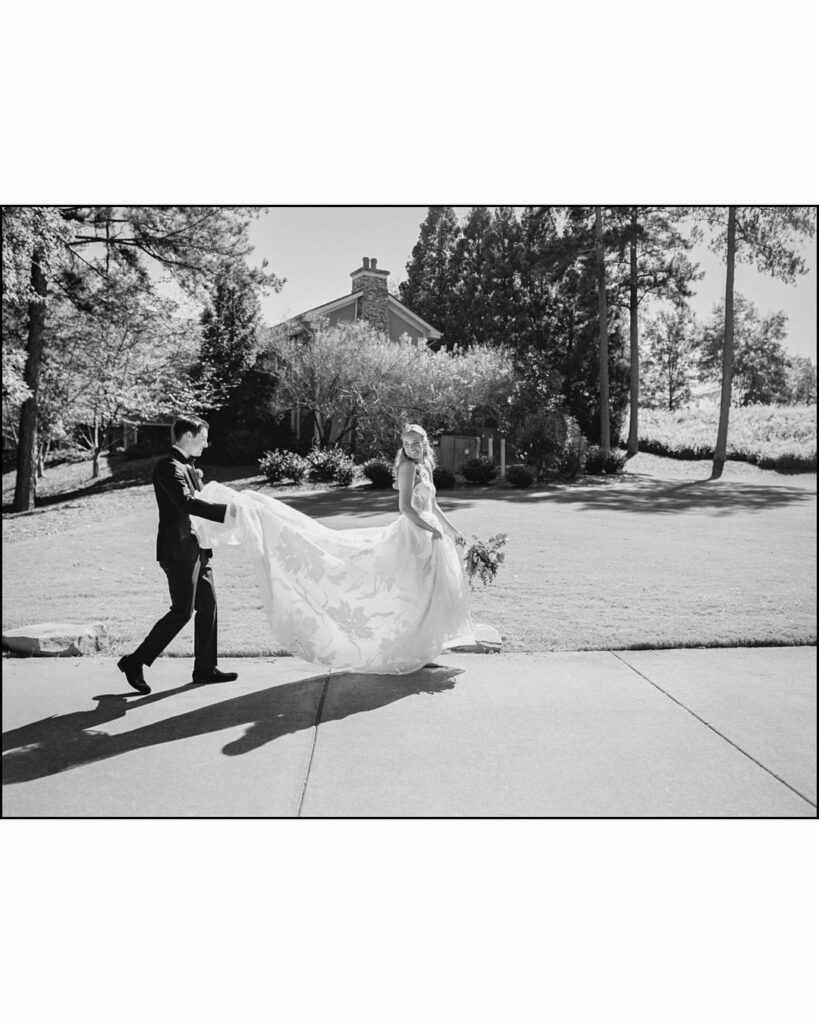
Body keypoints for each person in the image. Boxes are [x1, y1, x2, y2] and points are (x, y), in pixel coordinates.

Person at [191, 423, 475, 675]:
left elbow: (433, 506)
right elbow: (405, 508)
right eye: (407, 443)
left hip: (430, 536)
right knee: (412, 594)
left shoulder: (425, 466)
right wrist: (432, 530)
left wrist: (452, 531)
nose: (413, 447)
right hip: (414, 537)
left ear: (426, 443)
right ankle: (409, 650)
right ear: (403, 446)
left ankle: (422, 651)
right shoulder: (408, 467)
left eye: (417, 442)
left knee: (425, 595)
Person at [117, 416, 239, 694]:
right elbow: (185, 503)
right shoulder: (167, 467)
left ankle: (205, 669)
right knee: (182, 611)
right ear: (186, 436)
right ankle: (134, 662)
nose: (207, 444)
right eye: (202, 438)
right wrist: (226, 512)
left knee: (208, 606)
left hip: (198, 548)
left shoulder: (187, 466)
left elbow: (197, 497)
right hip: (178, 550)